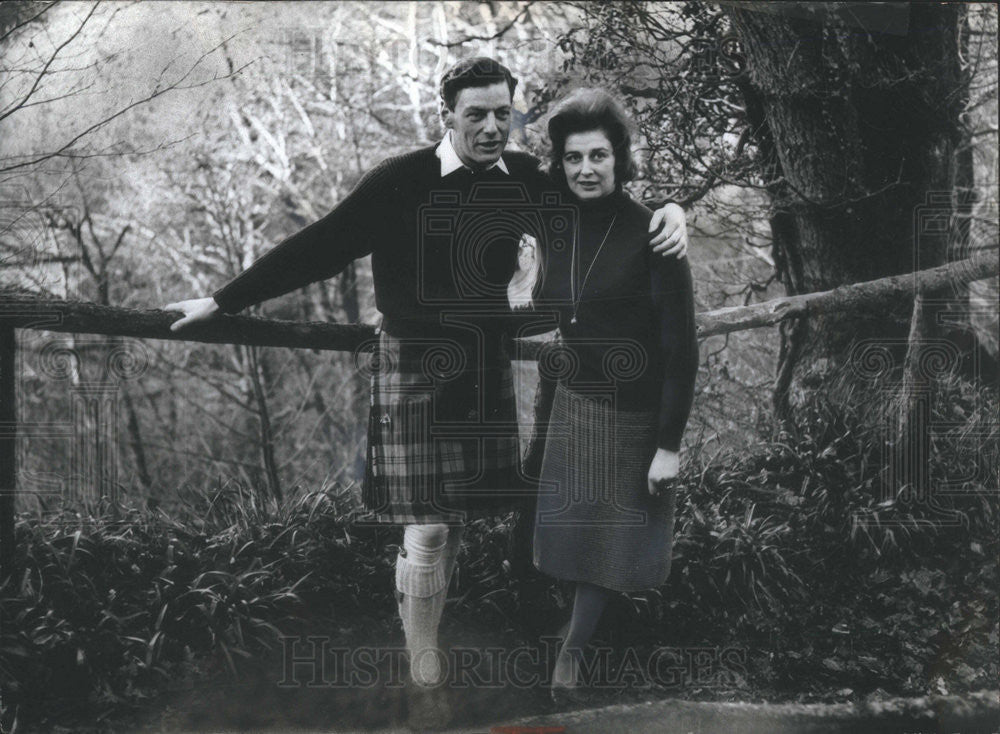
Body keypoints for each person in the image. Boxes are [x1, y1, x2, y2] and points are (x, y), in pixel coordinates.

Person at [163, 58, 688, 726]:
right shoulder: (401, 181)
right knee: (433, 521)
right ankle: (422, 665)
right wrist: (223, 298)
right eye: (477, 114)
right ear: (447, 116)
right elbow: (321, 245)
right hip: (413, 361)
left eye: (503, 113)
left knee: (456, 519)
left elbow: (602, 197)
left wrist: (669, 212)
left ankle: (429, 627)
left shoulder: (529, 179)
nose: (492, 126)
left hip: (485, 363)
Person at [529, 88, 699, 703]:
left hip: (632, 416)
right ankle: (574, 628)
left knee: (607, 545)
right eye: (573, 158)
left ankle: (571, 657)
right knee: (569, 535)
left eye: (598, 156)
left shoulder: (652, 234)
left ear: (619, 158)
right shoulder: (558, 214)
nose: (585, 170)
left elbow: (683, 348)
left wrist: (669, 445)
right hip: (572, 403)